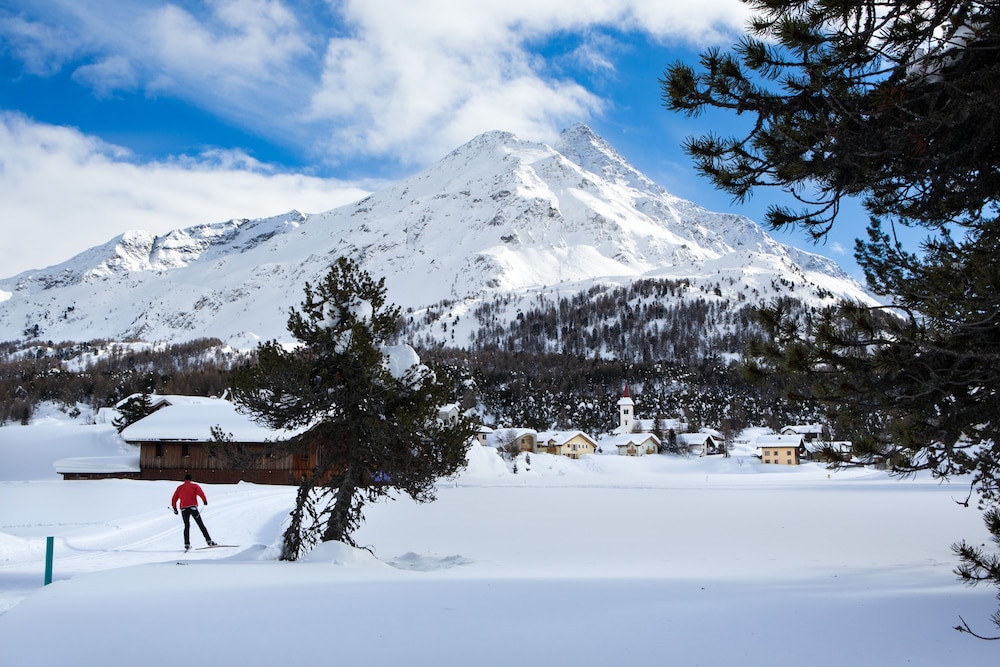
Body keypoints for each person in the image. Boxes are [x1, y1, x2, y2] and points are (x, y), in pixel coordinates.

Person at [171, 474, 217, 551]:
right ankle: (209, 541)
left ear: (184, 479)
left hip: (184, 510)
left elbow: (174, 499)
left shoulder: (180, 488)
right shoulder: (194, 486)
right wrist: (204, 501)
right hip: (193, 508)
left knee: (186, 526)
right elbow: (201, 493)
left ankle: (187, 544)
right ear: (191, 479)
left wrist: (175, 509)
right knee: (200, 524)